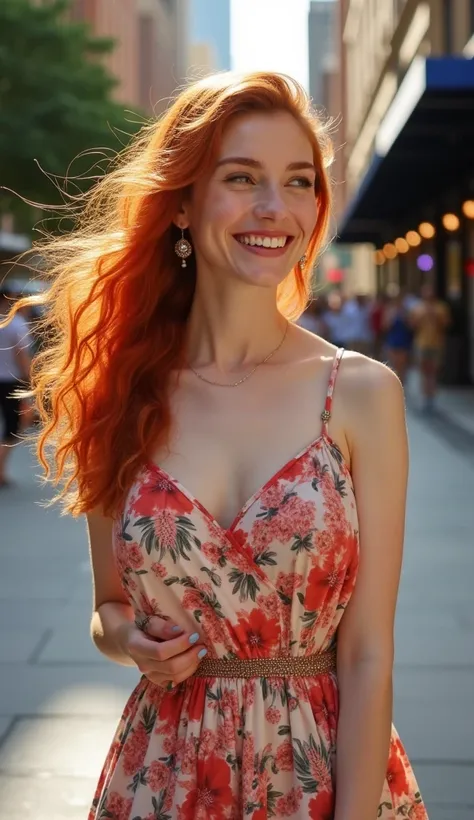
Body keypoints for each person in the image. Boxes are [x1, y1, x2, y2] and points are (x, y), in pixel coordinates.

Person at [3, 72, 428, 819]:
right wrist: (132, 639)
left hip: (323, 775)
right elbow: (108, 607)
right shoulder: (120, 390)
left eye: (299, 182)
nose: (276, 208)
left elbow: (367, 655)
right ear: (182, 204)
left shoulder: (360, 393)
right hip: (161, 777)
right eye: (242, 178)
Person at [0, 286, 32, 487]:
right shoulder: (16, 323)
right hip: (11, 381)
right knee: (13, 427)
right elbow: (22, 356)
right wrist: (30, 383)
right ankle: (0, 470)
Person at [410, 282, 450, 412]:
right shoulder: (418, 308)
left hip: (437, 343)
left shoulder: (440, 307)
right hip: (421, 343)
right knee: (423, 371)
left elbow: (447, 324)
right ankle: (425, 397)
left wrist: (435, 317)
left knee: (433, 371)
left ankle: (431, 398)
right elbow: (412, 325)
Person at [383, 292, 414, 385]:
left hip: (404, 342)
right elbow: (385, 326)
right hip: (393, 342)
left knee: (402, 367)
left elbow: (412, 326)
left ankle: (402, 386)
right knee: (393, 366)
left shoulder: (407, 312)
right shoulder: (390, 311)